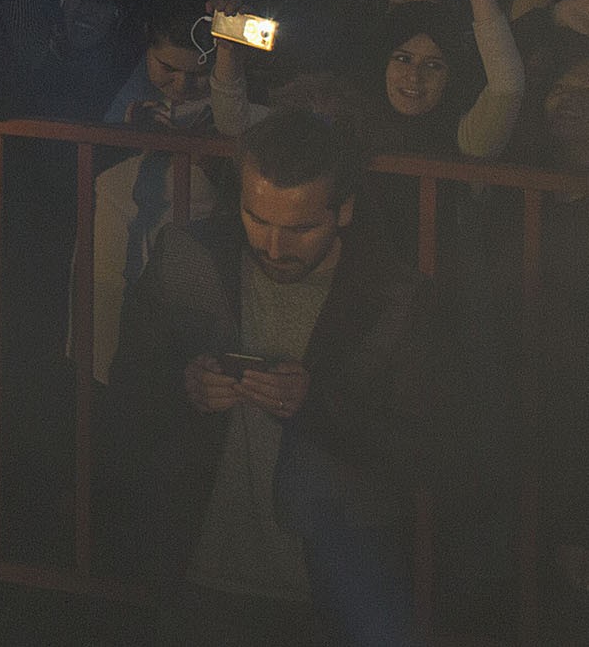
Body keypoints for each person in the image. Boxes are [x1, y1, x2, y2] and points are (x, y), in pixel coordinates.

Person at [109, 107, 436, 647]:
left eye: (300, 228)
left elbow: (431, 445)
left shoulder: (395, 299)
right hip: (195, 573)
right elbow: (129, 388)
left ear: (344, 210)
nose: (274, 247)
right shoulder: (188, 258)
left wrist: (317, 406)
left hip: (332, 594)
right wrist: (184, 385)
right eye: (256, 218)